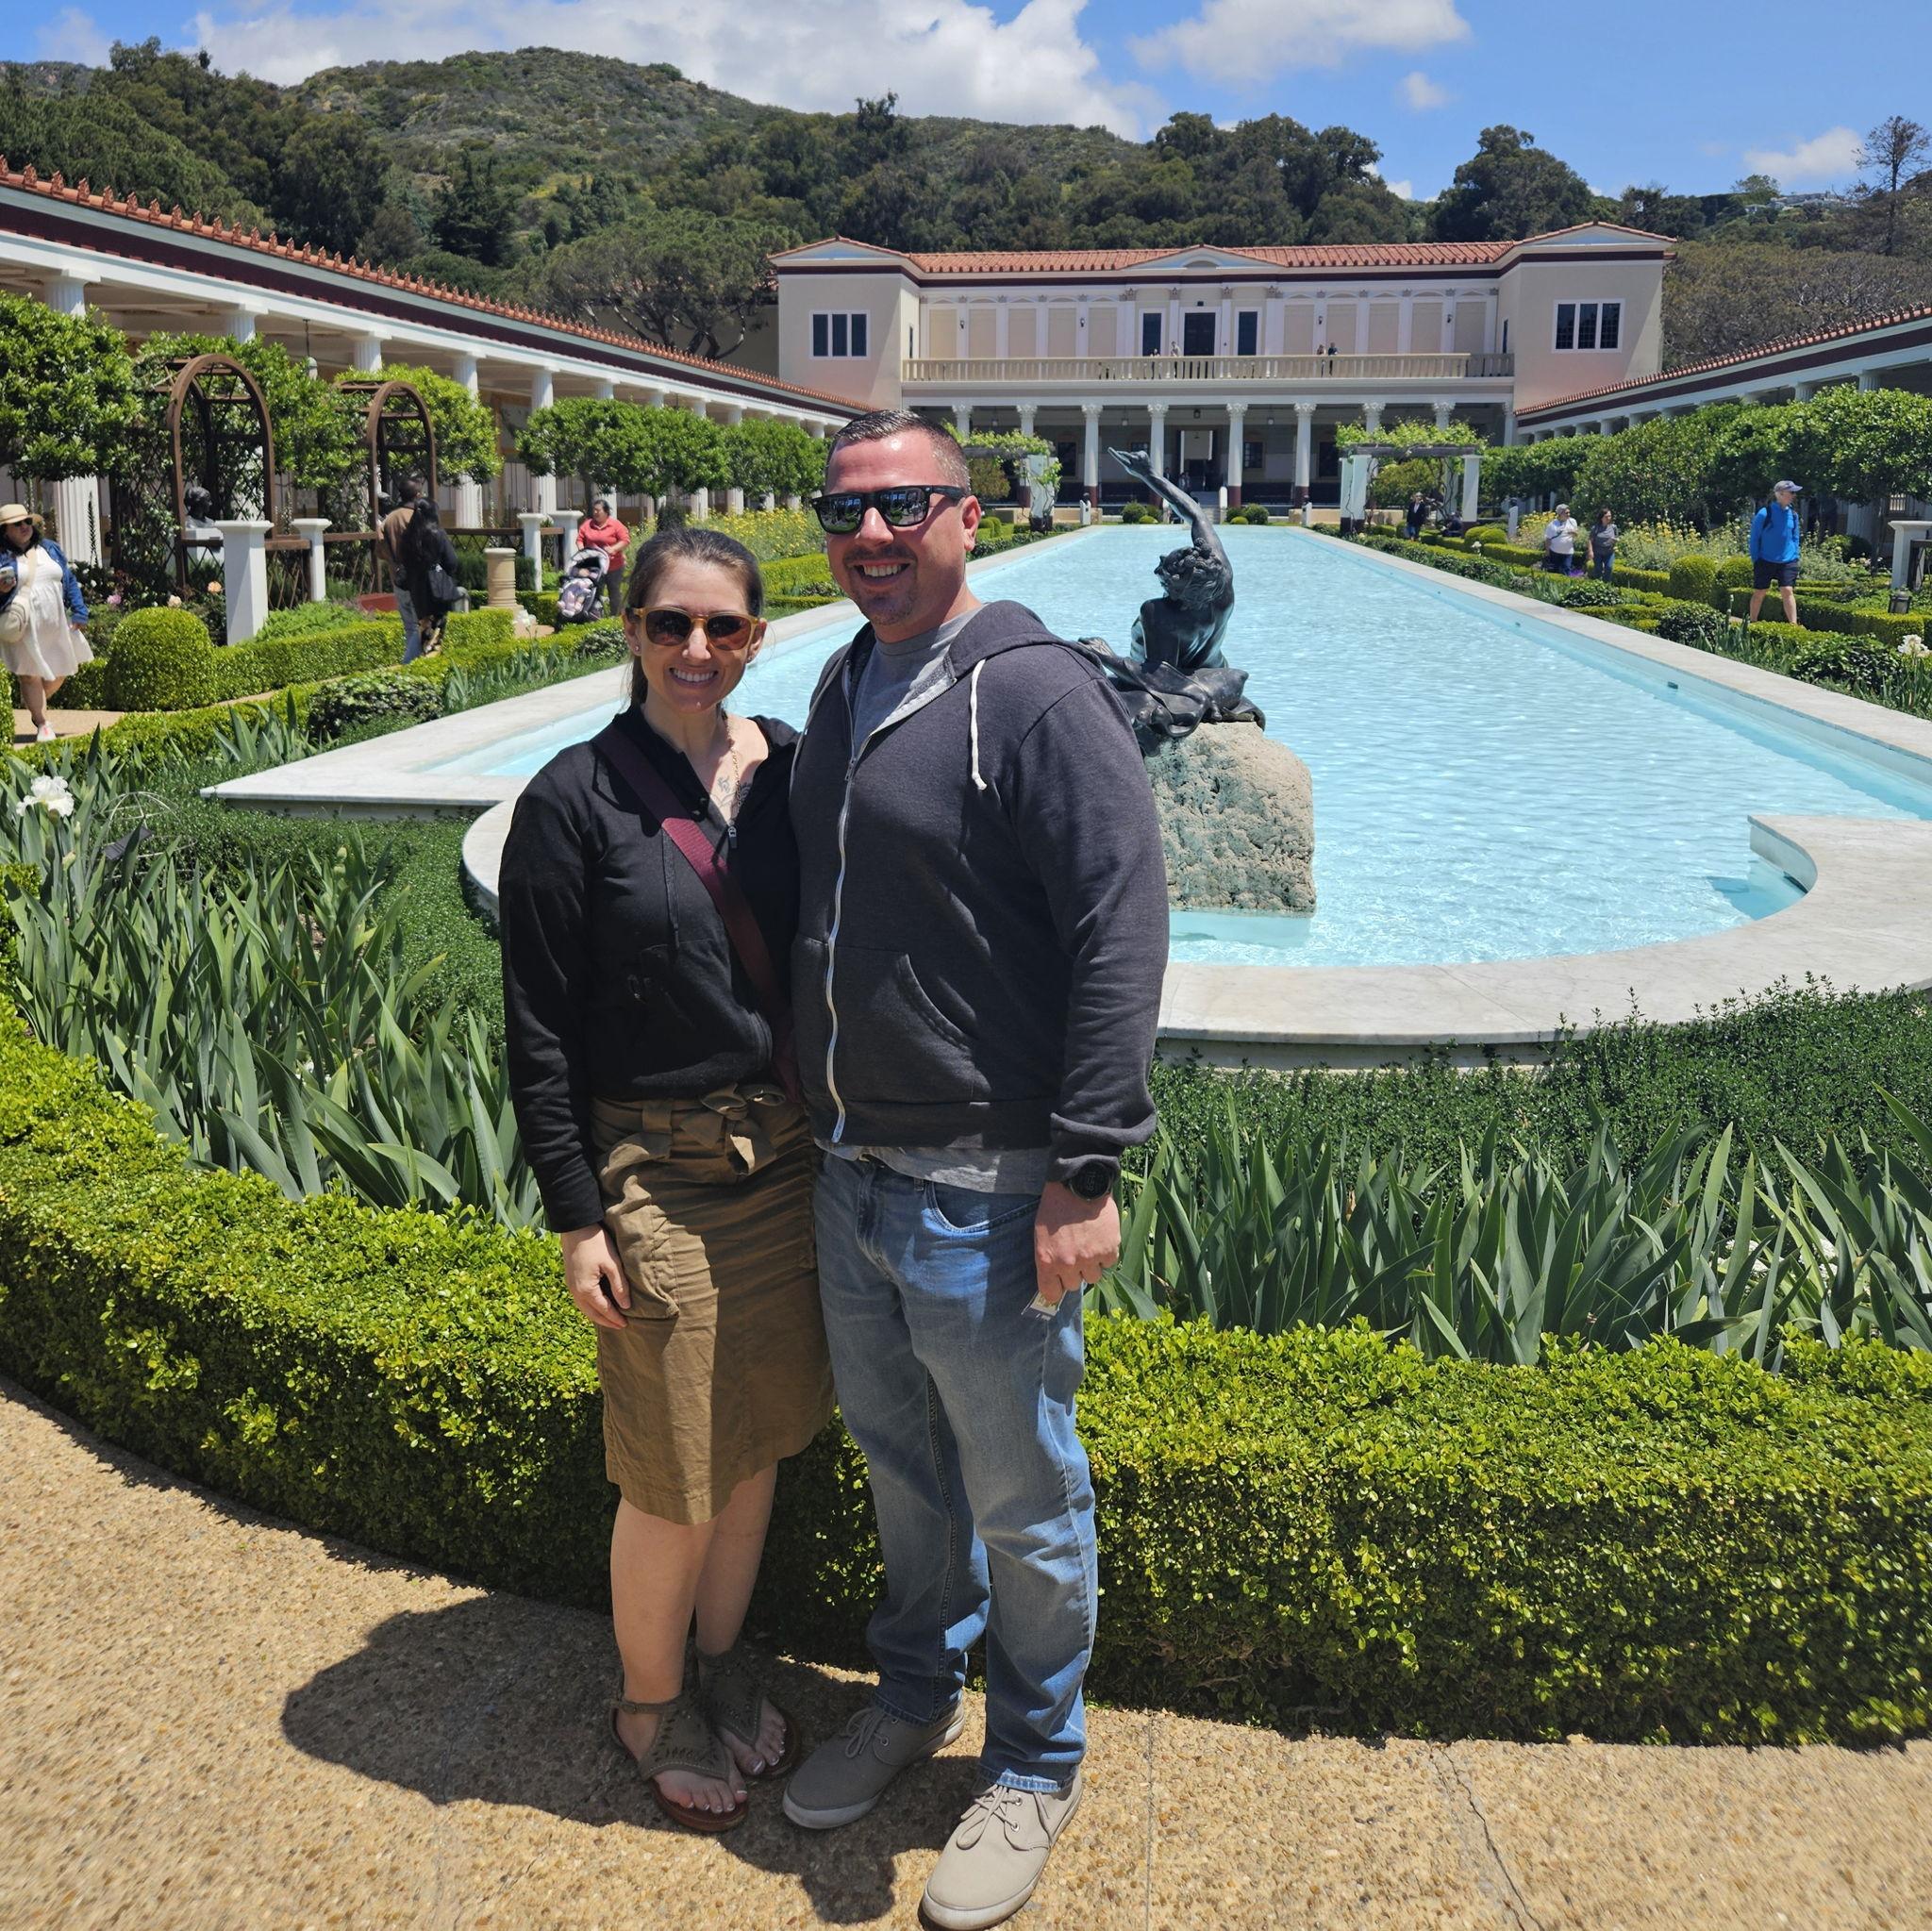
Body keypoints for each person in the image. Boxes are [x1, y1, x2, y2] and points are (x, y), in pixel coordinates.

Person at [781, 410, 1168, 1931]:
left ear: (968, 516)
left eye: (904, 507)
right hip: (851, 1166)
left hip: (988, 1183)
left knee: (1022, 1495)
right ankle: (912, 1693)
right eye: (846, 511)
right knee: (901, 1470)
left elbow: (1120, 925)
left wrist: (1086, 1163)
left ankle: (1033, 1756)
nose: (871, 535)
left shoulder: (1034, 689)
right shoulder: (845, 671)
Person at [498, 525, 834, 1836]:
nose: (698, 649)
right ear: (630, 629)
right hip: (657, 1169)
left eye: (726, 627)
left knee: (751, 1440)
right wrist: (578, 1212)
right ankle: (648, 1701)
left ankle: (719, 1654)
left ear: (758, 636)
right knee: (673, 1463)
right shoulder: (574, 799)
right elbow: (538, 1026)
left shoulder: (796, 774)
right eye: (671, 623)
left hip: (786, 1156)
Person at [1, 503, 92, 744]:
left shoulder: (49, 548)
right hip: (22, 625)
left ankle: (33, 701)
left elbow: (69, 580)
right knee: (30, 675)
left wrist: (80, 611)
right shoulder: (2, 556)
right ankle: (42, 722)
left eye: (27, 522)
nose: (24, 527)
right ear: (5, 530)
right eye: (17, 524)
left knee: (63, 668)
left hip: (55, 624)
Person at [398, 496, 461, 657]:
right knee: (435, 631)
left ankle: (414, 661)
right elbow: (452, 562)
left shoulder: (407, 536)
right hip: (437, 590)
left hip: (417, 589)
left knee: (424, 627)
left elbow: (403, 561)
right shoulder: (437, 534)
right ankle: (424, 663)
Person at [378, 474, 425, 663]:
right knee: (423, 626)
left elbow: (380, 550)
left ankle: (413, 666)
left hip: (397, 579)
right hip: (418, 581)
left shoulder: (389, 519)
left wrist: (394, 562)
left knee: (410, 627)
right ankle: (409, 663)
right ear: (417, 494)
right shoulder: (418, 517)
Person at [1748, 480, 1803, 625]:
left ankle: (1793, 625)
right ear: (1780, 494)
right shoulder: (1764, 514)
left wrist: (1795, 554)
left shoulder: (1794, 515)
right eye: (1791, 492)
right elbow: (1754, 539)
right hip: (1765, 559)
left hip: (1788, 560)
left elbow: (1795, 536)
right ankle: (1752, 622)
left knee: (1787, 590)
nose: (1793, 495)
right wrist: (1756, 559)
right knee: (1760, 592)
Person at [580, 497, 632, 608]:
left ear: (606, 512)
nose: (595, 512)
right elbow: (580, 539)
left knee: (614, 593)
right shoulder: (587, 524)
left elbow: (625, 540)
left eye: (598, 510)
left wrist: (614, 548)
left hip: (614, 566)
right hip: (595, 566)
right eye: (594, 510)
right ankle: (595, 615)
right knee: (594, 592)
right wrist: (582, 551)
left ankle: (615, 618)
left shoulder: (616, 525)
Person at [1541, 503, 1579, 574]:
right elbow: (1548, 539)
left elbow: (1576, 534)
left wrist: (1573, 532)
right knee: (1554, 571)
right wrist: (1547, 552)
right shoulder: (1552, 525)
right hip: (1555, 552)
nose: (1568, 514)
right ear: (1560, 514)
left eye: (1569, 512)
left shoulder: (1572, 521)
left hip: (1568, 552)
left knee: (1566, 570)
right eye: (1566, 513)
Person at [1589, 508, 1619, 581]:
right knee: (1598, 569)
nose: (1609, 518)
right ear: (1602, 517)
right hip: (1597, 552)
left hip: (1609, 552)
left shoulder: (1614, 527)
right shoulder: (1596, 528)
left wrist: (1615, 540)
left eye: (1610, 516)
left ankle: (1606, 586)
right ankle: (1597, 584)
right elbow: (1590, 540)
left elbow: (1617, 538)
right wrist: (1590, 551)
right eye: (1606, 516)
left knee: (1609, 568)